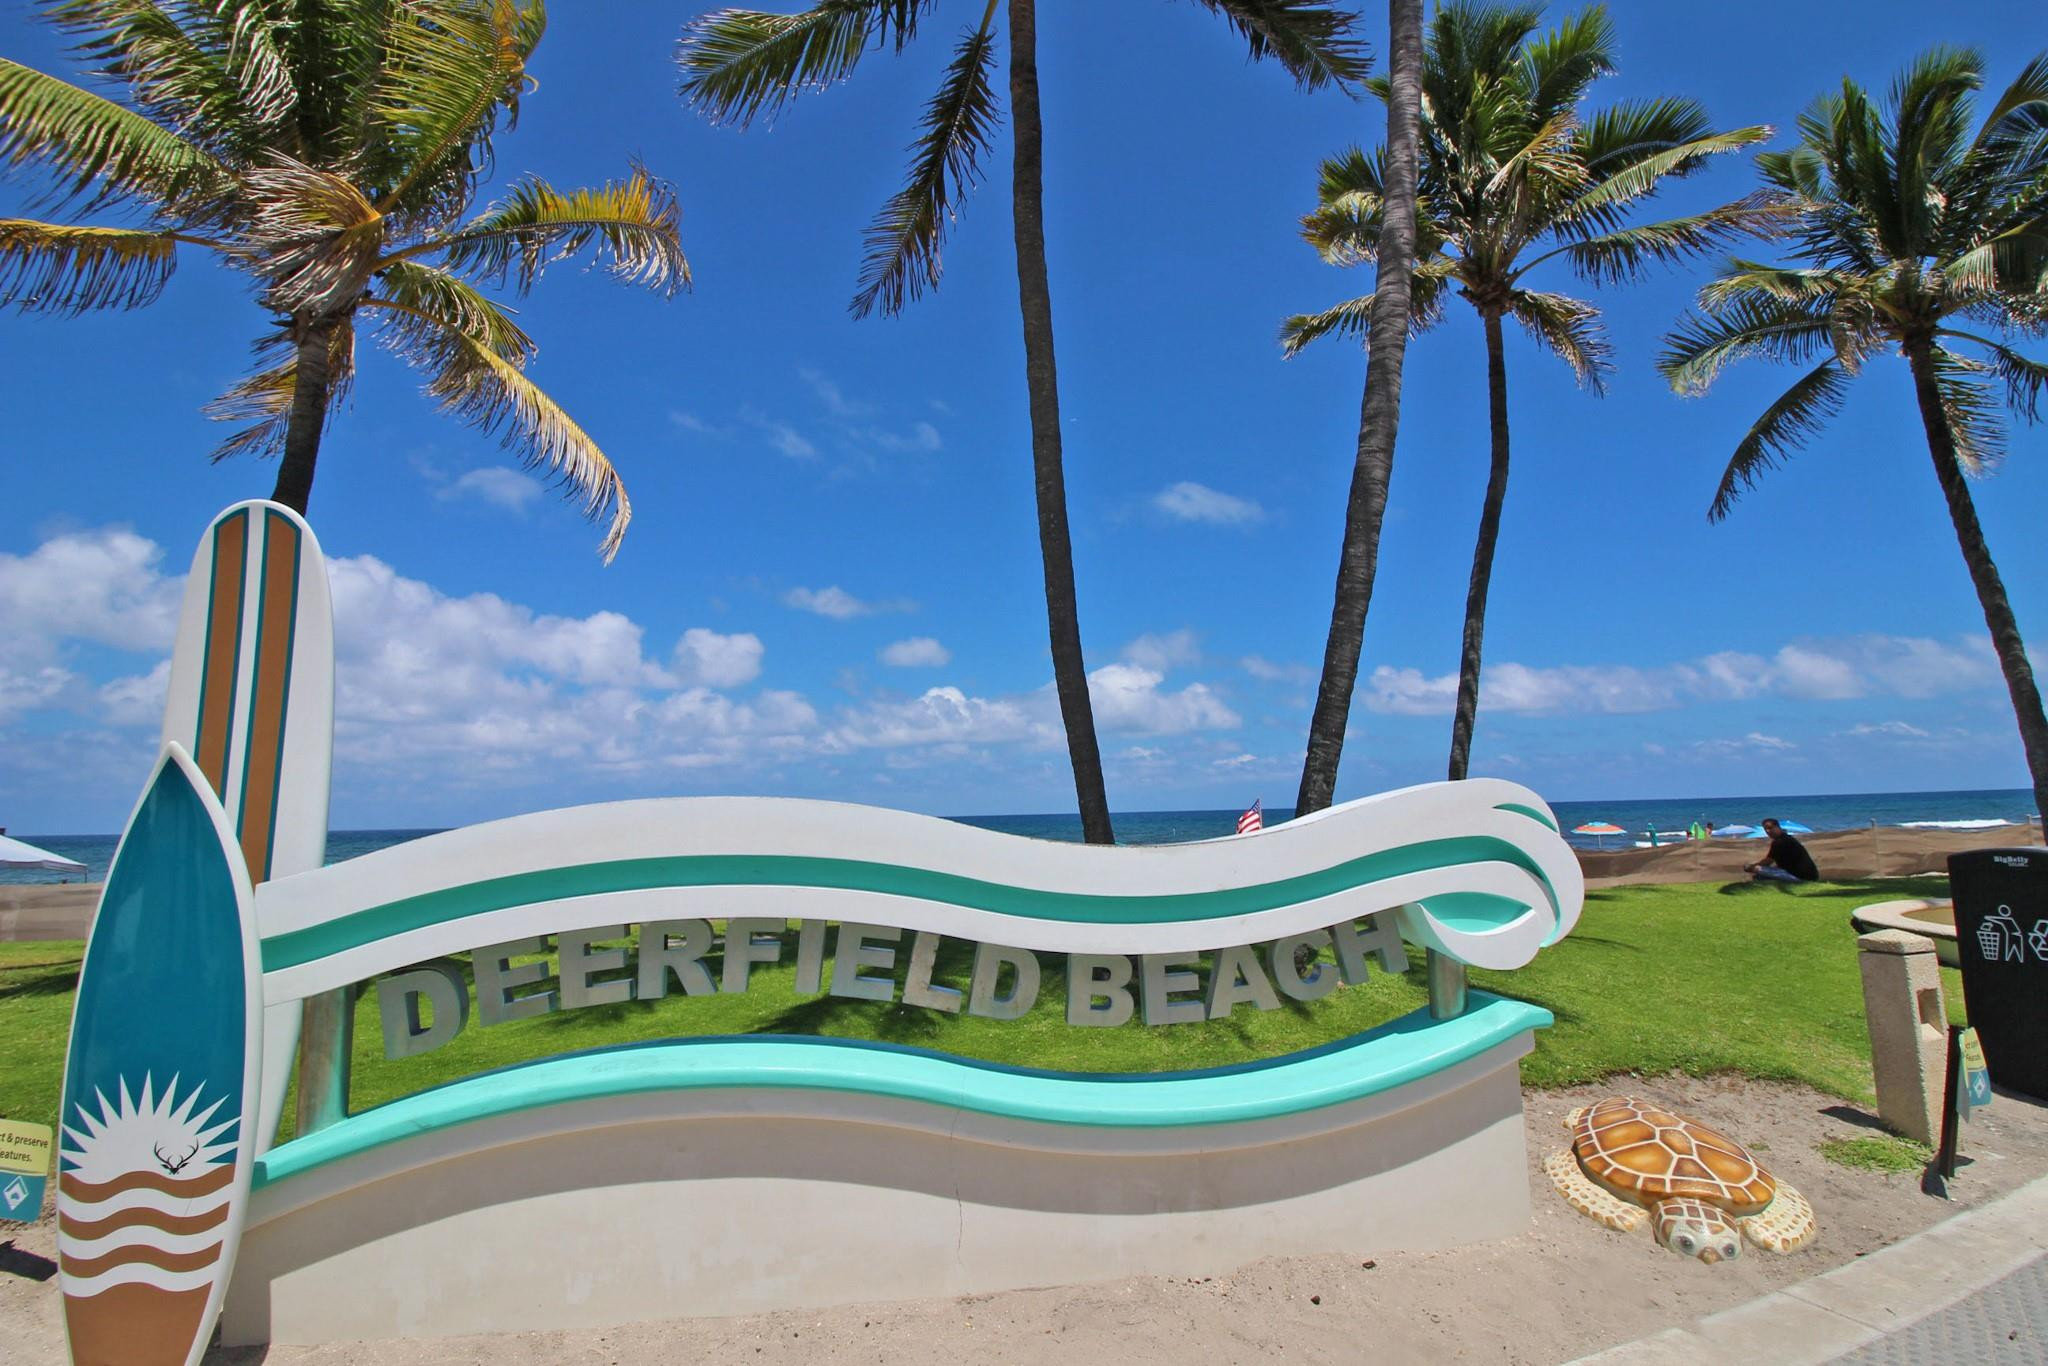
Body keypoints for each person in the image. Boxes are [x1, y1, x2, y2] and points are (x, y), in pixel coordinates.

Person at [1744, 818, 1819, 883]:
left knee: (1757, 869)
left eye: (1770, 828)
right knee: (1760, 876)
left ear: (1777, 827)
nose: (1768, 831)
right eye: (1765, 829)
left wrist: (1751, 867)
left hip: (1800, 878)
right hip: (1811, 876)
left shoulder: (1779, 842)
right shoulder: (1788, 838)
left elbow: (1768, 861)